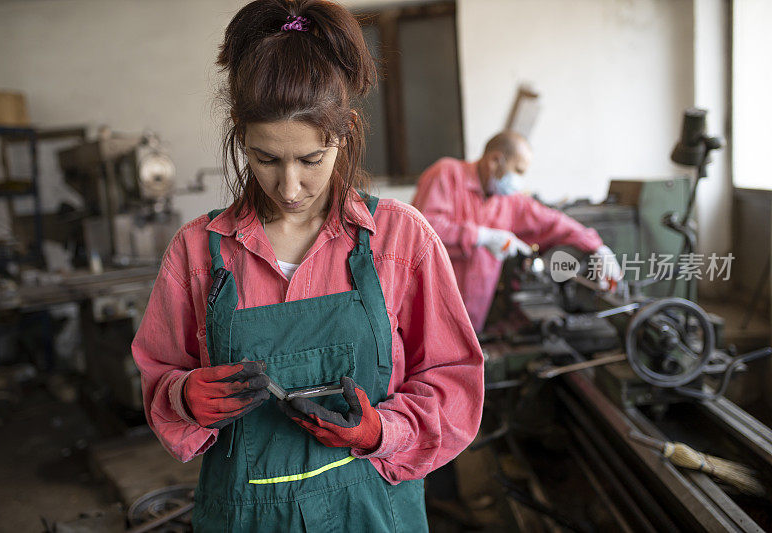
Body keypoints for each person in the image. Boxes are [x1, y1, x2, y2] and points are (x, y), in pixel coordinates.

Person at [131, 1, 484, 530]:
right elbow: (160, 375)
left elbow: (453, 381)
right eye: (266, 159)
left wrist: (382, 432)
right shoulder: (197, 252)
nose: (290, 187)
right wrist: (183, 396)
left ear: (345, 133)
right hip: (242, 517)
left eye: (311, 160)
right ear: (240, 139)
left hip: (370, 512)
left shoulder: (399, 240)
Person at [412, 130, 622, 332]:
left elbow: (552, 222)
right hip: (432, 311)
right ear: (495, 161)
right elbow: (422, 229)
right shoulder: (447, 174)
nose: (519, 180)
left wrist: (598, 247)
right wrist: (482, 236)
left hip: (472, 319)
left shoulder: (510, 201)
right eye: (518, 170)